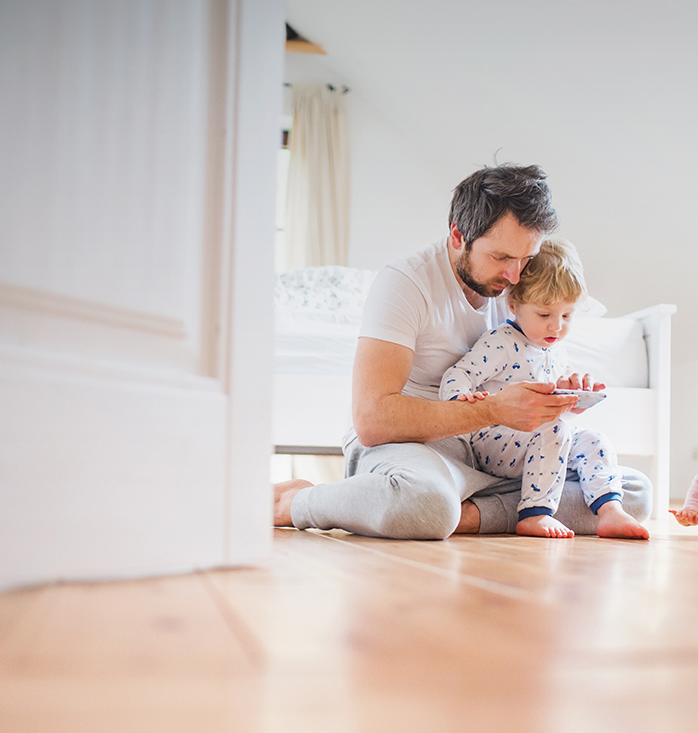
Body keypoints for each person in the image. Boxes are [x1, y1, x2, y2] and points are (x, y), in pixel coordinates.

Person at [273, 163, 652, 539]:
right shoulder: (405, 284)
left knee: (633, 492)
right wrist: (492, 409)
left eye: (526, 258)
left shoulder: (519, 288)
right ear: (458, 236)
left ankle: (466, 514)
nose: (515, 277)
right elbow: (371, 422)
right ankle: (298, 501)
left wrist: (559, 396)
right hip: (415, 448)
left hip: (496, 452)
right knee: (425, 500)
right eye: (502, 258)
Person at [439, 239, 648, 539]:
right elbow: (457, 374)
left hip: (539, 440)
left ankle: (610, 511)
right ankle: (535, 513)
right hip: (495, 439)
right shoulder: (502, 342)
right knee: (555, 430)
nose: (557, 328)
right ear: (514, 305)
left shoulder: (555, 349)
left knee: (594, 440)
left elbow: (552, 397)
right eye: (544, 315)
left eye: (567, 316)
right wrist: (462, 398)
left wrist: (571, 393)